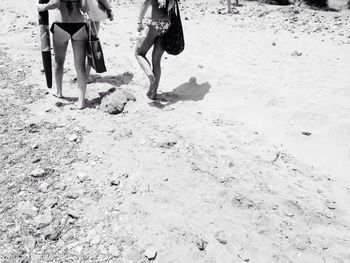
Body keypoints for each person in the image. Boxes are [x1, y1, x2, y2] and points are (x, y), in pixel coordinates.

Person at [37, 0, 89, 109]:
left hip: (61, 25)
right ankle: (81, 102)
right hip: (79, 25)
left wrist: (43, 7)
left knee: (59, 61)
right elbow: (84, 8)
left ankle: (59, 92)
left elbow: (55, 3)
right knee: (80, 66)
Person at [135, 0, 175, 100]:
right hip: (166, 24)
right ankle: (153, 93)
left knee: (139, 53)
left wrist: (139, 22)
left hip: (153, 22)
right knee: (156, 61)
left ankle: (150, 76)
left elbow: (146, 2)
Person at [86, 0, 114, 81]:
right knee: (91, 46)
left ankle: (81, 74)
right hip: (92, 14)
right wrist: (109, 9)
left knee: (80, 47)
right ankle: (85, 76)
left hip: (76, 15)